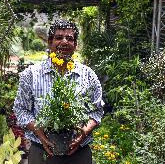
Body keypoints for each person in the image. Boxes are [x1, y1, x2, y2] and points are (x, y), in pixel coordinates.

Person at [13, 19, 104, 164]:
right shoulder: (31, 74)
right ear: (49, 42)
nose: (65, 42)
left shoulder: (88, 75)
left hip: (79, 154)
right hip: (41, 153)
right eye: (59, 37)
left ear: (75, 45)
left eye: (70, 38)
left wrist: (83, 133)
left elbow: (97, 111)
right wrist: (39, 132)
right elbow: (21, 110)